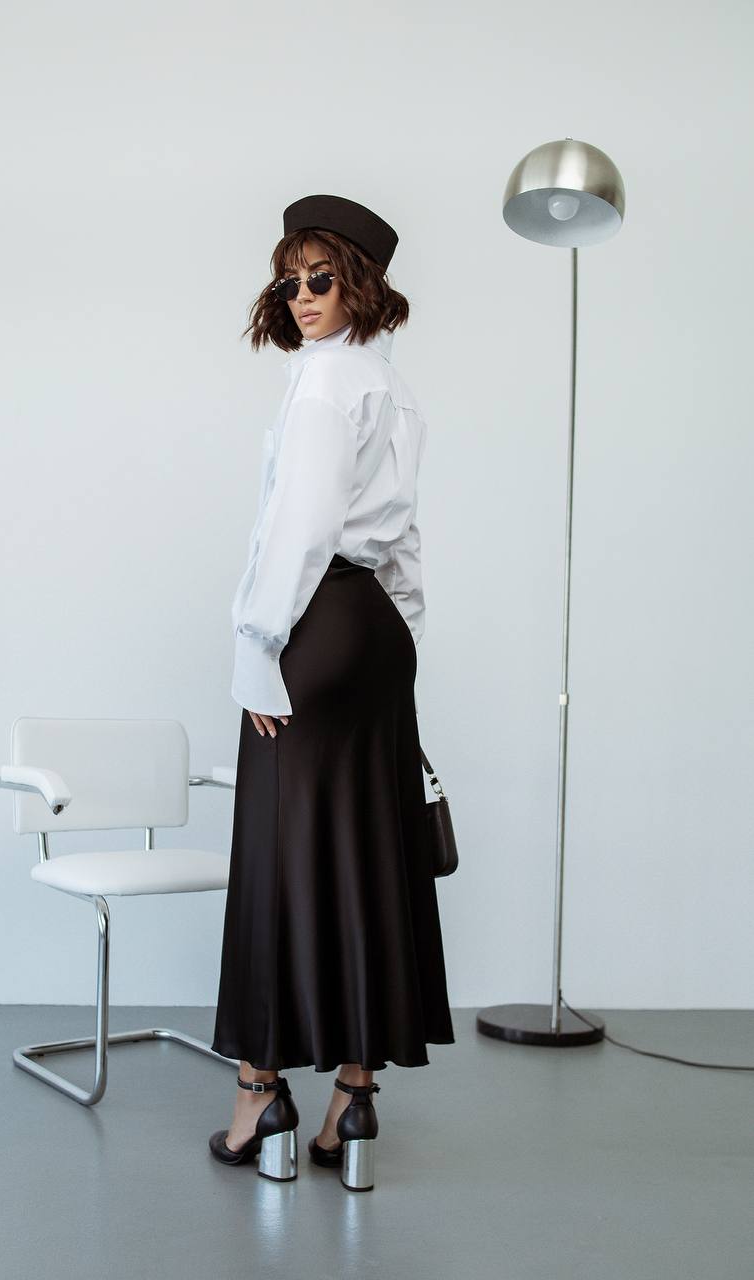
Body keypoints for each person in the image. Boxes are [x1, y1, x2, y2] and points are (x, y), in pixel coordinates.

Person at [208, 194, 455, 1190]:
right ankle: (353, 1091)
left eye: (320, 278)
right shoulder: (392, 391)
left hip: (312, 623)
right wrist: (400, 633)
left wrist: (255, 642)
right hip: (377, 632)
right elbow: (401, 542)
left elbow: (301, 528)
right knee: (365, 844)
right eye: (289, 279)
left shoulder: (322, 387)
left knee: (279, 846)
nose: (301, 296)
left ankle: (260, 1088)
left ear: (359, 284)